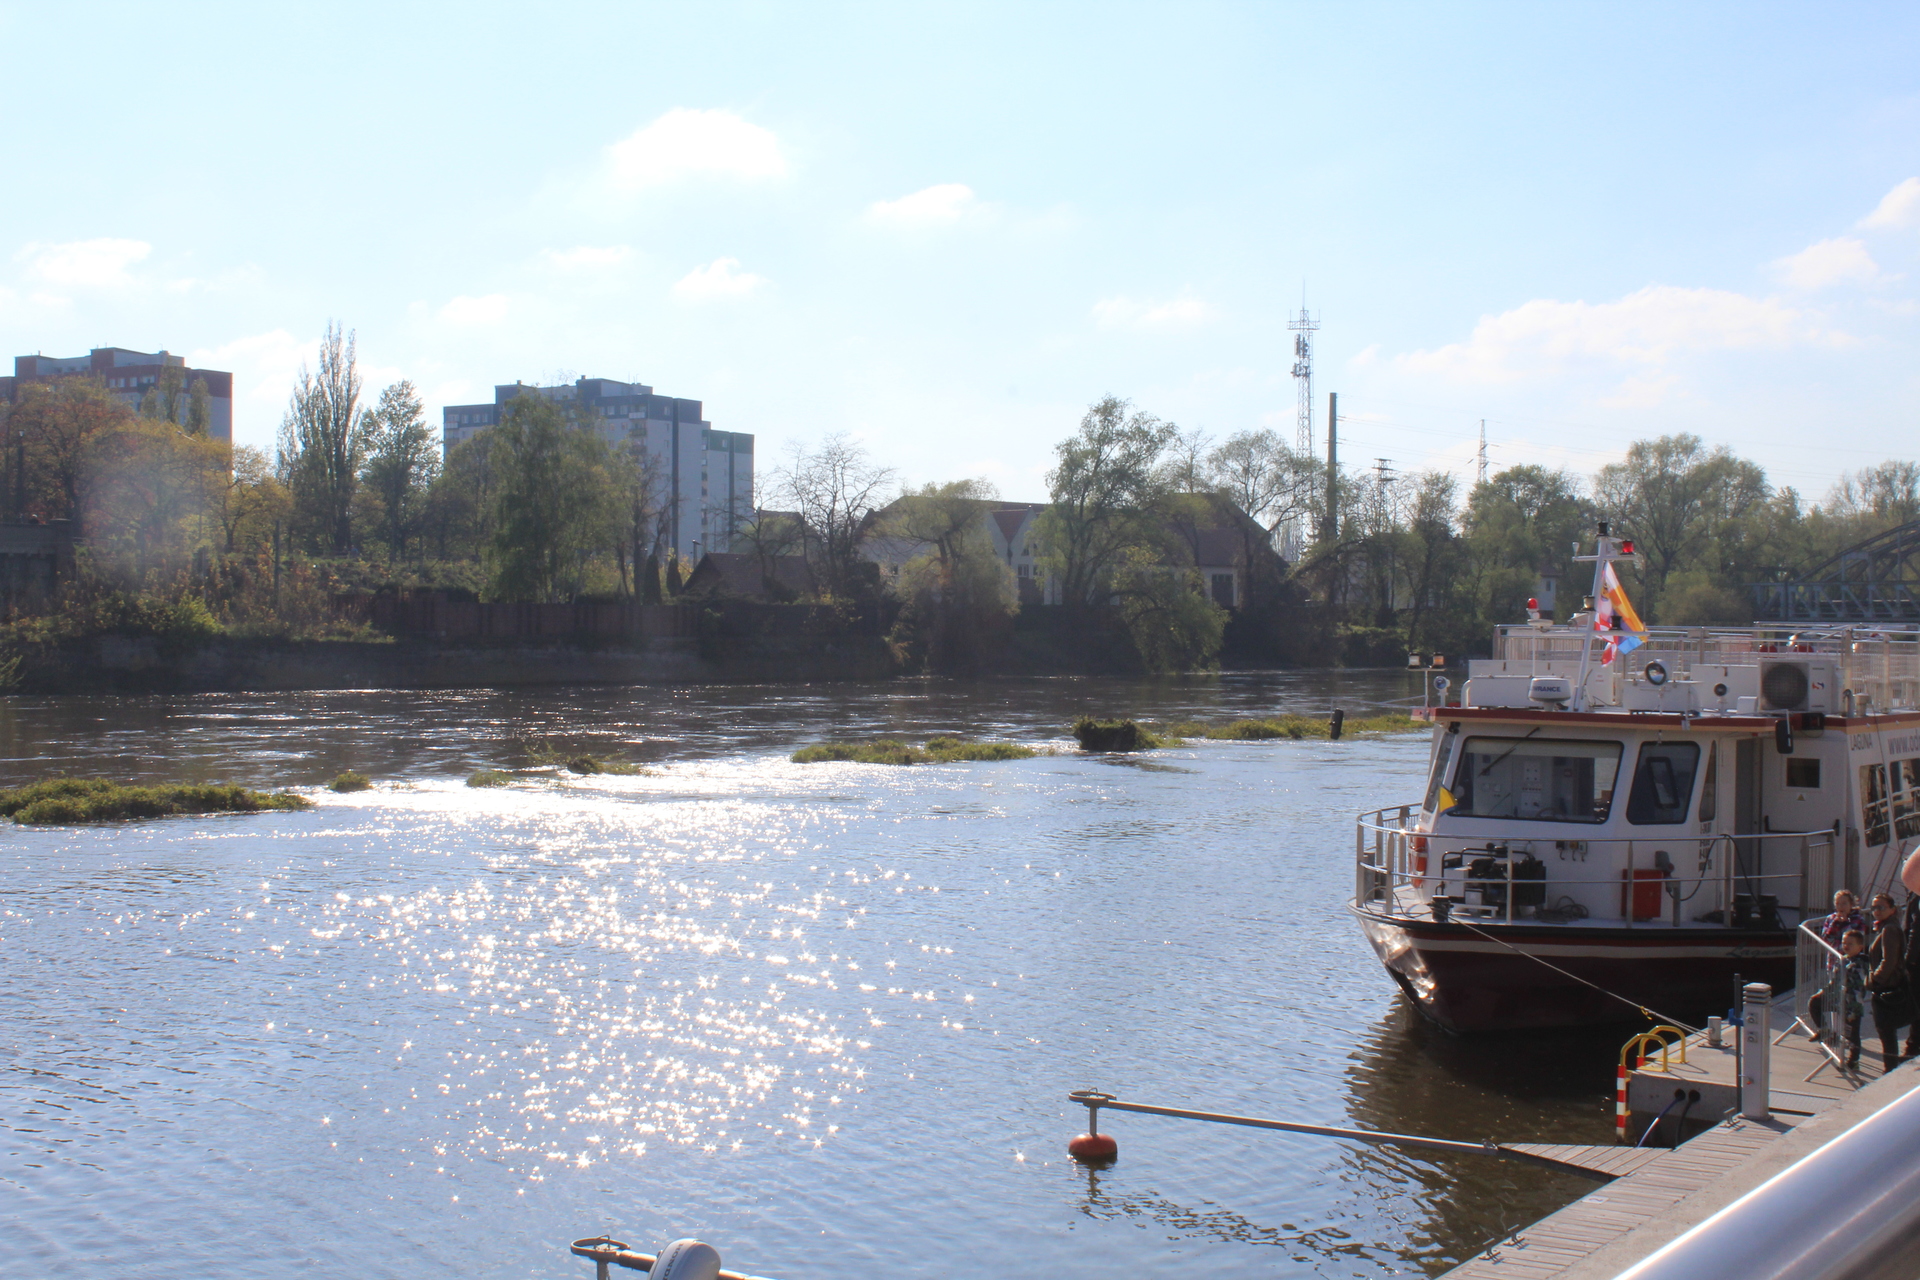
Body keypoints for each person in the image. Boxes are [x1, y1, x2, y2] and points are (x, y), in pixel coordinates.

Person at [1867, 892, 1910, 1073]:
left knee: (1886, 1031)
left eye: (1881, 907)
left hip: (1886, 986)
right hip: (1887, 984)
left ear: (1892, 910)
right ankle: (1890, 1068)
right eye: (1874, 907)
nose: (1877, 911)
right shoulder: (1886, 927)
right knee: (1887, 1032)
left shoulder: (1889, 929)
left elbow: (1889, 960)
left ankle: (1890, 1070)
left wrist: (1874, 979)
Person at [1838, 929, 1869, 1070]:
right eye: (1844, 942)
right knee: (1847, 1032)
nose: (1846, 946)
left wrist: (1853, 1011)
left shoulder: (1858, 964)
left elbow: (1857, 990)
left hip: (1853, 1005)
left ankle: (1854, 1060)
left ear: (1860, 947)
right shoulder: (1845, 960)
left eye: (1850, 943)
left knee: (1853, 1034)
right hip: (1844, 1002)